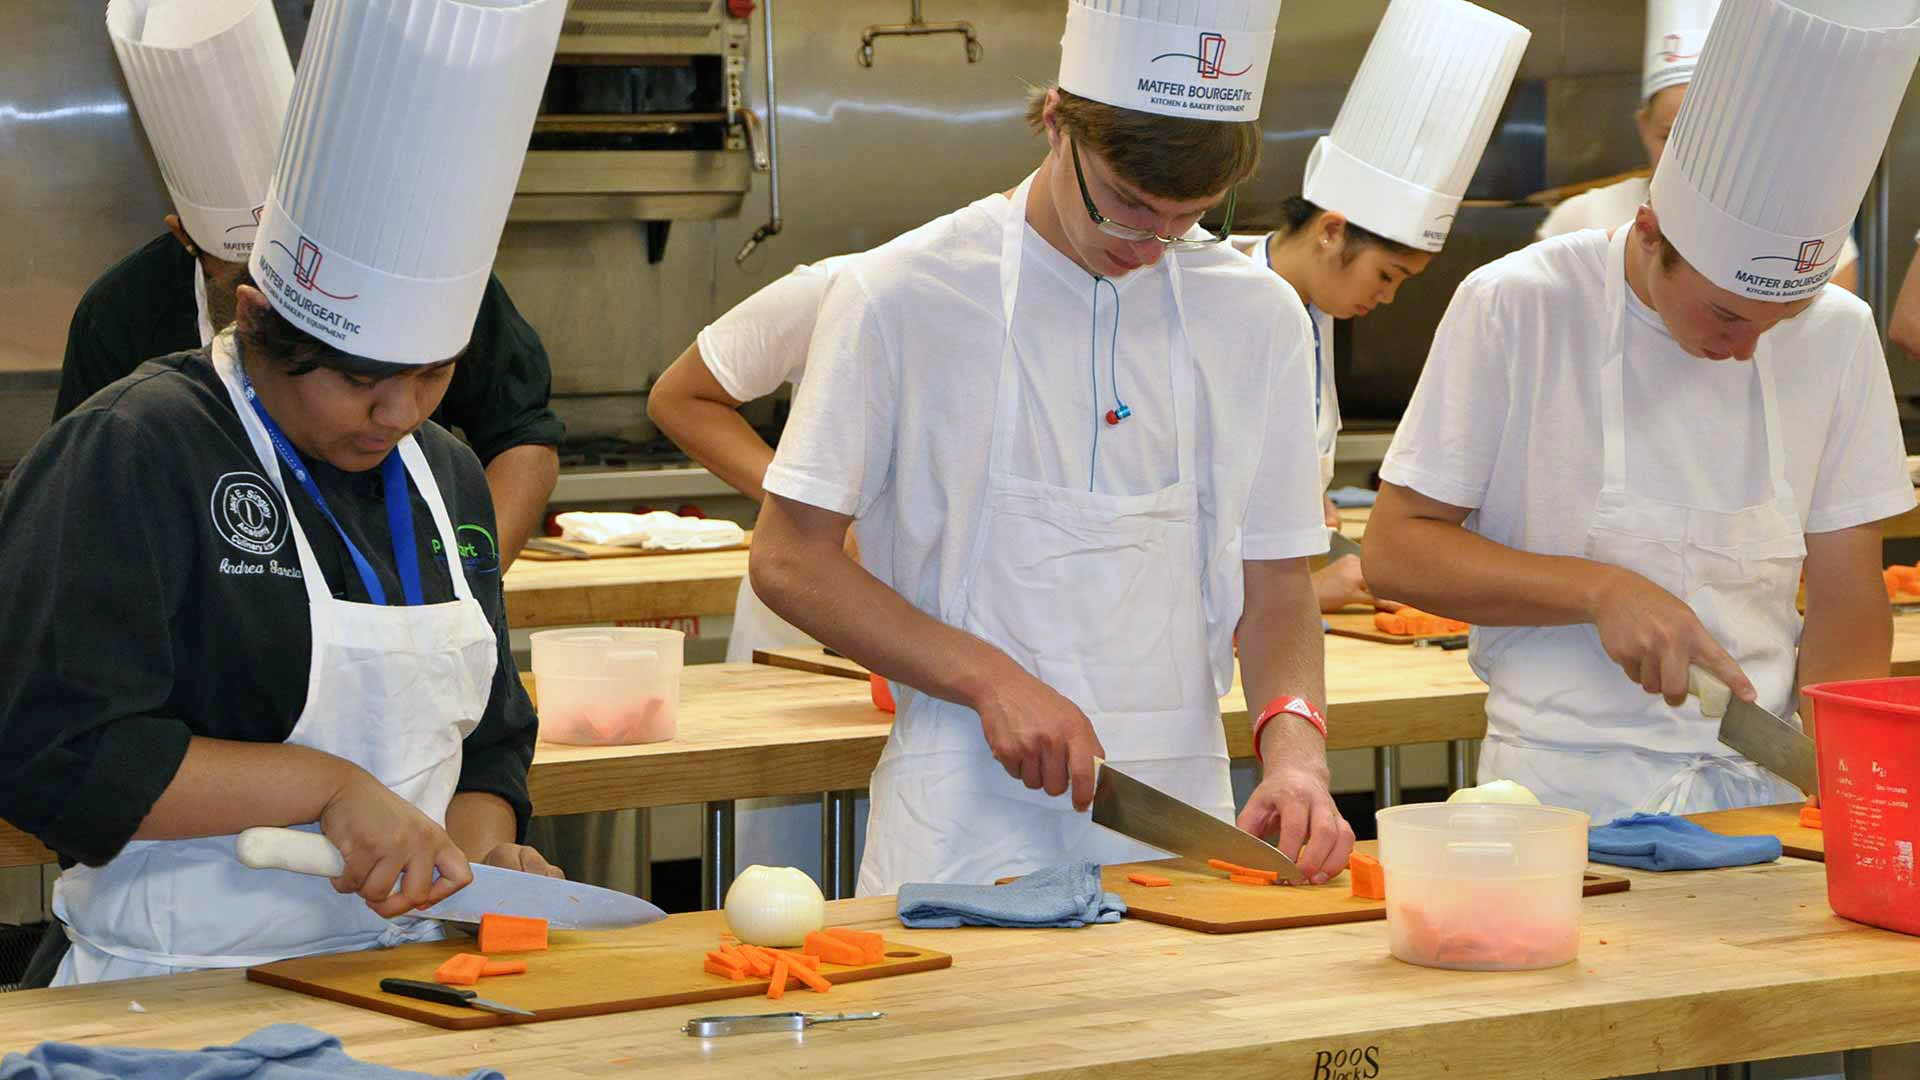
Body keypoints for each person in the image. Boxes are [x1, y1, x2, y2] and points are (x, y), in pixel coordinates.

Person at [0, 0, 569, 986]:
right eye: (357, 380)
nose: (397, 413)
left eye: (432, 374)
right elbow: (54, 751)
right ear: (258, 319)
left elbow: (488, 741)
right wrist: (326, 786)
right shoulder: (135, 450)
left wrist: (477, 856)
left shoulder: (449, 477)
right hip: (170, 994)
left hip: (409, 984)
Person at [750, 0, 1356, 895]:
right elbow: (789, 561)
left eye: (1186, 222)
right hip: (961, 830)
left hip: (1178, 832)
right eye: (1127, 208)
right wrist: (989, 677)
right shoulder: (899, 296)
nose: (1149, 249)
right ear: (1054, 121)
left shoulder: (1256, 315)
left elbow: (1275, 588)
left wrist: (1296, 751)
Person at [1364, 0, 1919, 824]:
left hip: (1762, 796)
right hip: (1554, 803)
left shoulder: (1838, 334)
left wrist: (1842, 775)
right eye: (1727, 317)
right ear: (1652, 233)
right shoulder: (1521, 305)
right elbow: (1395, 551)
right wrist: (1598, 591)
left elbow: (1845, 589)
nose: (1745, 351)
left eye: (1778, 324)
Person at [63, 0, 563, 569]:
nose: (397, 413)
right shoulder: (121, 319)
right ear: (183, 236)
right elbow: (90, 509)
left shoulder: (412, 276)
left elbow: (523, 435)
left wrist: (464, 588)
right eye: (243, 267)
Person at [1230, 0, 1528, 614]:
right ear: (1332, 231)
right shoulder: (1225, 306)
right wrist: (1311, 591)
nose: (1386, 297)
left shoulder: (1314, 313)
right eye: (1387, 274)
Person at [1535, 0, 1860, 293]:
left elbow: (1831, 346)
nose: (1689, 159)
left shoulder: (1801, 236)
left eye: (1713, 138)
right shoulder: (1578, 220)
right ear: (1644, 128)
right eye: (1670, 137)